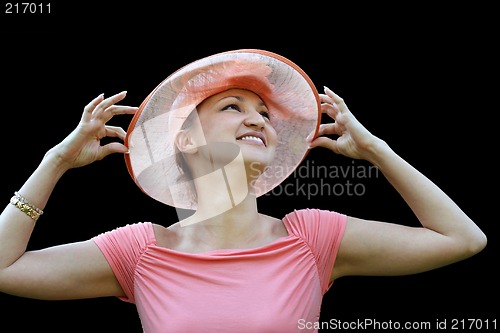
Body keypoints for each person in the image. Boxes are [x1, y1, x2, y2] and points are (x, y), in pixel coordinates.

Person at [0, 49, 487, 332]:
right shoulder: (142, 251)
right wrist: (55, 162)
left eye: (264, 112)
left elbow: (462, 239)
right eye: (232, 106)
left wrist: (379, 150)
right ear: (186, 140)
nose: (256, 118)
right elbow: (4, 269)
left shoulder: (312, 238)